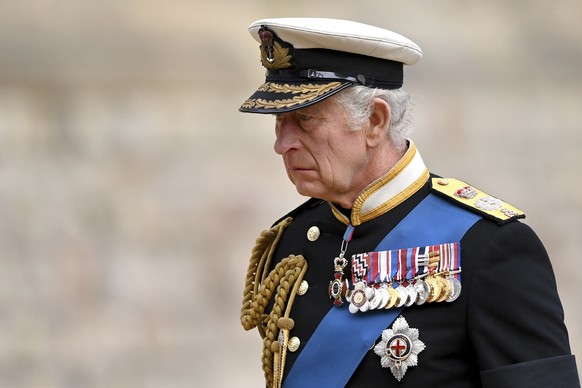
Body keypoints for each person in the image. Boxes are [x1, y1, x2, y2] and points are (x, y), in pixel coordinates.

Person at [238, 17, 579, 387]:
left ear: (375, 120)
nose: (281, 143)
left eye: (304, 120)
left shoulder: (488, 247)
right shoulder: (293, 244)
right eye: (279, 121)